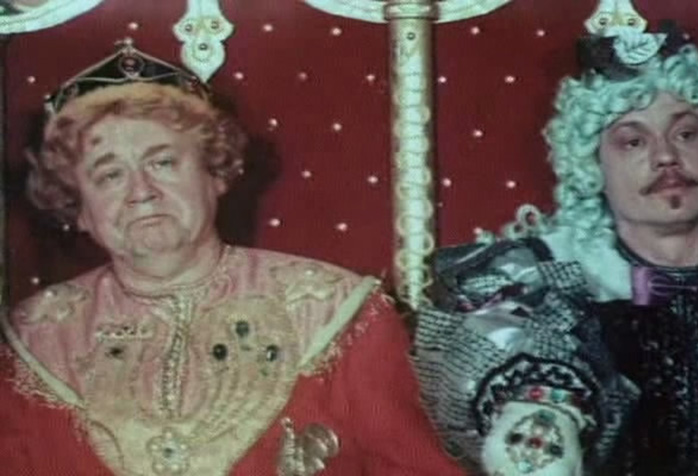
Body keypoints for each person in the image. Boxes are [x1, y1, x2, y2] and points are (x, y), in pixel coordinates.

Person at [0, 41, 465, 476]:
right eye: (109, 175)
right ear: (78, 208)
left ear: (216, 173)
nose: (141, 192)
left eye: (163, 162)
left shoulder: (339, 312)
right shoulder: (32, 342)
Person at [412, 21, 698, 476]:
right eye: (633, 141)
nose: (665, 157)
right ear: (593, 165)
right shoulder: (539, 270)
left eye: (686, 134)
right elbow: (503, 367)